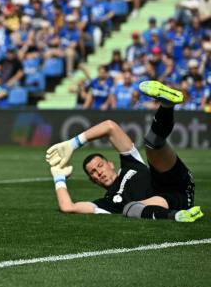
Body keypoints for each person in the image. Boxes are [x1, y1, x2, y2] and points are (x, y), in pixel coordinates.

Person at [45, 80, 202, 222]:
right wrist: (59, 178)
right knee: (129, 209)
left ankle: (166, 105)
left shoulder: (130, 164)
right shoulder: (108, 203)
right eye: (93, 172)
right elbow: (68, 207)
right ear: (93, 181)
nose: (98, 172)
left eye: (100, 165)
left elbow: (109, 126)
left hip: (176, 180)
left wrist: (72, 144)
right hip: (171, 201)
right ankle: (179, 217)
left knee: (152, 144)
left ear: (111, 164)